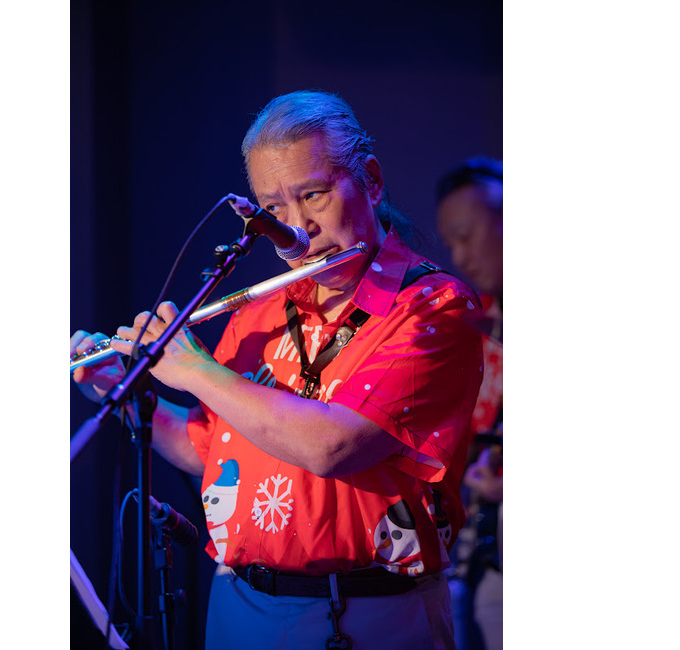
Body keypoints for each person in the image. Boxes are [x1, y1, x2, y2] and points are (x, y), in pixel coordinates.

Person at [72, 90, 483, 649]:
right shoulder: (261, 311)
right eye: (274, 209)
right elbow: (210, 448)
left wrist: (195, 370)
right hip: (241, 603)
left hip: (375, 614)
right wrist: (116, 391)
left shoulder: (433, 307)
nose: (297, 231)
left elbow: (333, 446)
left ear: (371, 180)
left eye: (313, 195)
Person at [436, 156, 504, 650]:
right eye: (451, 243)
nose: (459, 257)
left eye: (467, 236)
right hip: (482, 549)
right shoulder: (472, 323)